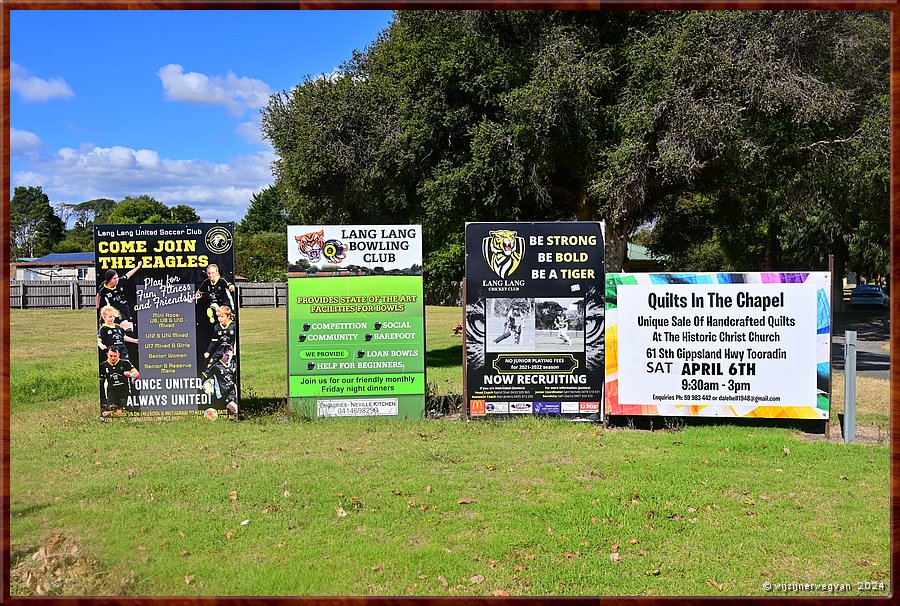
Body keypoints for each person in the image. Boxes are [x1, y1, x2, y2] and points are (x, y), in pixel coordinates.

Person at [96, 261, 143, 332]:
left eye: (117, 277)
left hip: (125, 309)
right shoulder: (103, 289)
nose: (117, 280)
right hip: (115, 311)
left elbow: (128, 275)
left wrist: (138, 267)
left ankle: (125, 341)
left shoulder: (119, 282)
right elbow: (98, 295)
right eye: (114, 278)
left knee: (130, 328)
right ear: (109, 280)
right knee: (127, 328)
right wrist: (97, 304)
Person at [98, 345, 139, 422]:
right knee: (111, 411)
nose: (113, 358)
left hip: (124, 392)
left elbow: (136, 373)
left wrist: (130, 374)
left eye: (115, 356)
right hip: (111, 393)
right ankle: (107, 415)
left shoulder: (125, 363)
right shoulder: (103, 366)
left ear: (119, 355)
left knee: (125, 412)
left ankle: (116, 415)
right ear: (107, 354)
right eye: (111, 356)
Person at [202, 345, 239, 421]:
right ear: (223, 354)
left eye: (230, 355)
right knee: (235, 408)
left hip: (232, 393)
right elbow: (205, 376)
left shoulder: (234, 365)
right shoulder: (216, 366)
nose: (228, 357)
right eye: (227, 355)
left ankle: (231, 426)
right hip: (222, 395)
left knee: (233, 412)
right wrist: (202, 385)